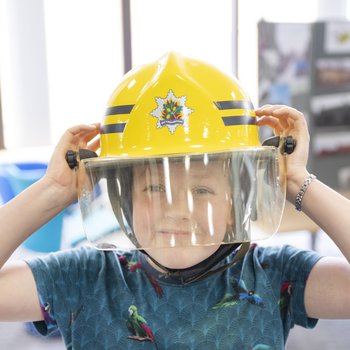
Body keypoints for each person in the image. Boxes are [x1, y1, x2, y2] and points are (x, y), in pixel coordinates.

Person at [0, 52, 350, 350]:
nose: (177, 210)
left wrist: (296, 181)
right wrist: (52, 191)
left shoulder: (272, 275)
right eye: (154, 189)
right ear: (124, 201)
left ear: (235, 202)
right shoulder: (85, 278)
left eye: (202, 191)